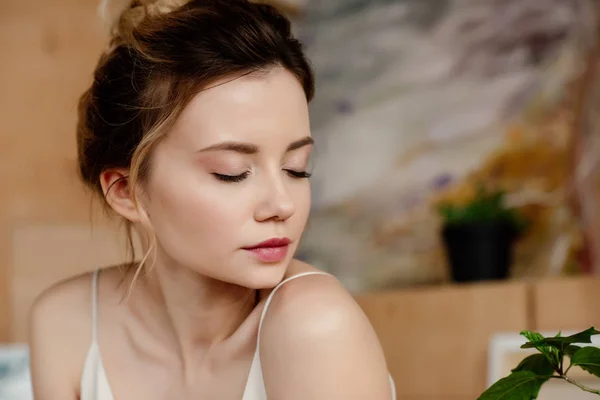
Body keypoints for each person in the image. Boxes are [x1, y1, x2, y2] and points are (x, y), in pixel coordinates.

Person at [28, 0, 396, 398]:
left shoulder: (314, 323)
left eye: (296, 168)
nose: (282, 205)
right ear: (126, 191)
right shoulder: (66, 324)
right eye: (232, 172)